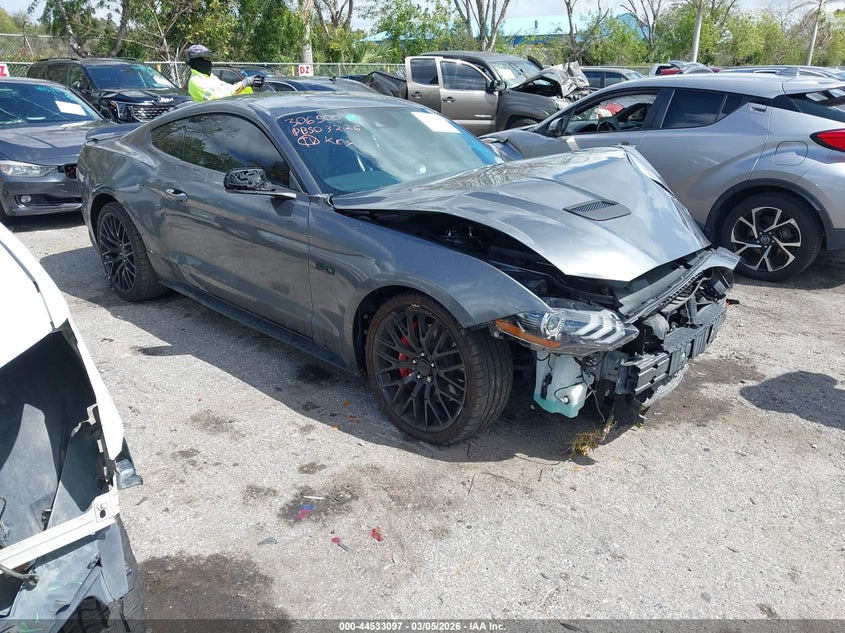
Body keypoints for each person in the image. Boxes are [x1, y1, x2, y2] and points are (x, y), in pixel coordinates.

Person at [184, 44, 264, 102]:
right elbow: (223, 98)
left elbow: (228, 88)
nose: (209, 62)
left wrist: (250, 87)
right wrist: (246, 82)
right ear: (197, 61)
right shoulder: (196, 81)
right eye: (206, 58)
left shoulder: (208, 77)